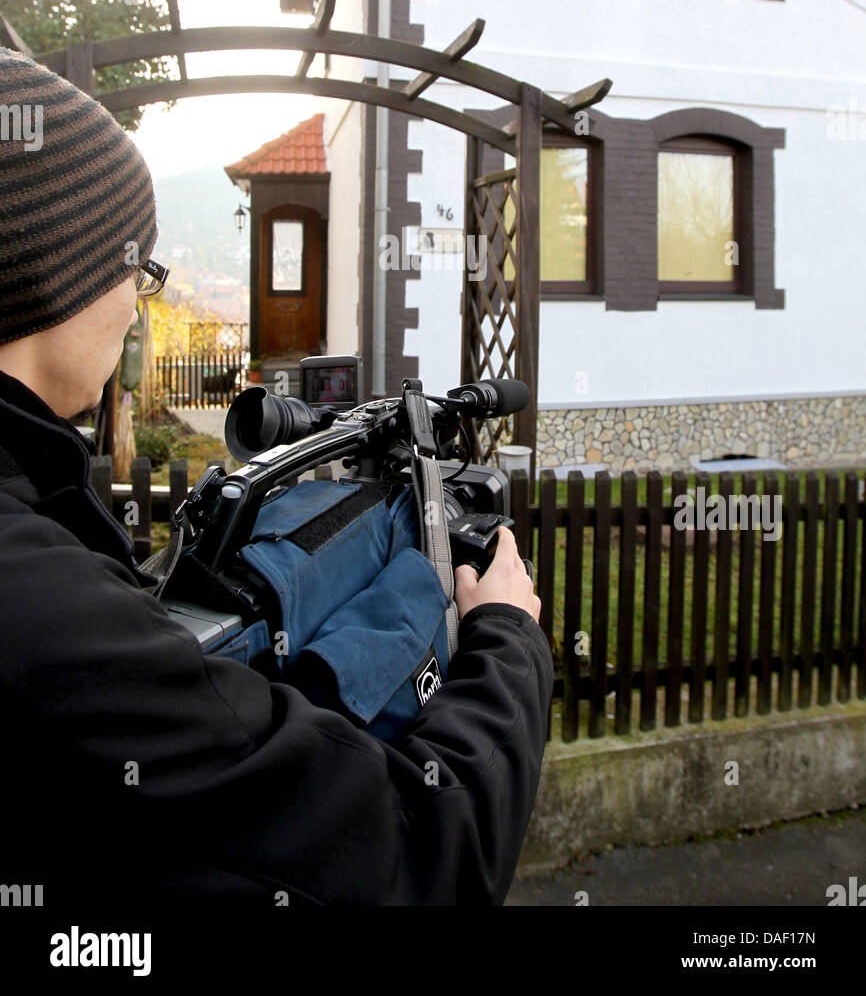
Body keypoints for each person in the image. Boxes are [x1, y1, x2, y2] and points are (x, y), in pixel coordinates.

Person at [0, 52, 553, 909]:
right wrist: (511, 642)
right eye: (137, 270)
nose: (139, 304)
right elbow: (414, 855)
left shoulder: (36, 515)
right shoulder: (37, 607)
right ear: (54, 269)